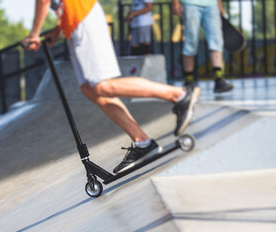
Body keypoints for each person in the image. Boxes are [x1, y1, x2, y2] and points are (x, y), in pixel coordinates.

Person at [23, 0, 201, 174]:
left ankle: (179, 94)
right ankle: (143, 142)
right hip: (74, 23)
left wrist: (34, 33)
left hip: (83, 17)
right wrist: (58, 29)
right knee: (89, 89)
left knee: (102, 86)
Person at [171, 0, 233, 93]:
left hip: (212, 4)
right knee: (191, 41)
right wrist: (175, 2)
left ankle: (219, 79)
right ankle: (189, 79)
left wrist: (219, 4)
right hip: (190, 4)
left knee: (216, 40)